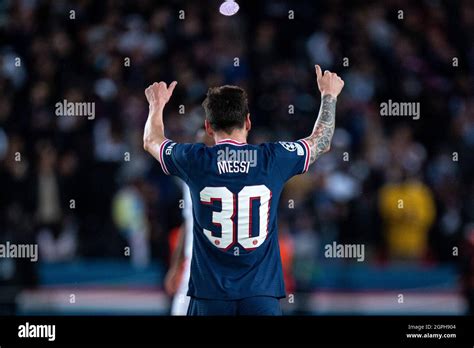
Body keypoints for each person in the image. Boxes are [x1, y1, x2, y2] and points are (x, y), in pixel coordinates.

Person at [143, 65, 344, 315]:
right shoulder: (273, 159)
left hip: (210, 294)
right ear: (248, 122)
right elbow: (321, 142)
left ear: (208, 127)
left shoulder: (195, 160)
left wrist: (157, 105)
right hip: (261, 294)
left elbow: (151, 141)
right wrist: (329, 96)